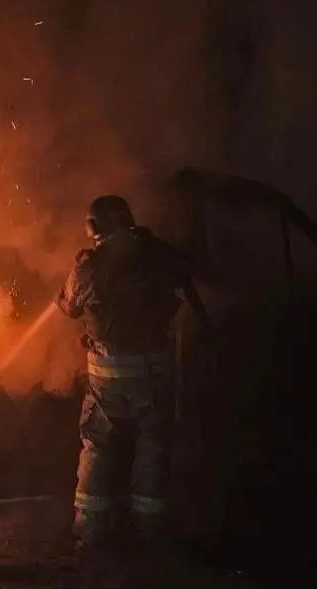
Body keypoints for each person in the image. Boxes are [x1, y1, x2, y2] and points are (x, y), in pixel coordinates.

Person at [56, 194, 209, 549]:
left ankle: (91, 530)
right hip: (153, 376)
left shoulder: (90, 265)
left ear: (94, 227)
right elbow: (186, 271)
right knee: (153, 447)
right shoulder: (157, 256)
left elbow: (68, 306)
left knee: (98, 446)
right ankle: (149, 530)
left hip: (106, 381)